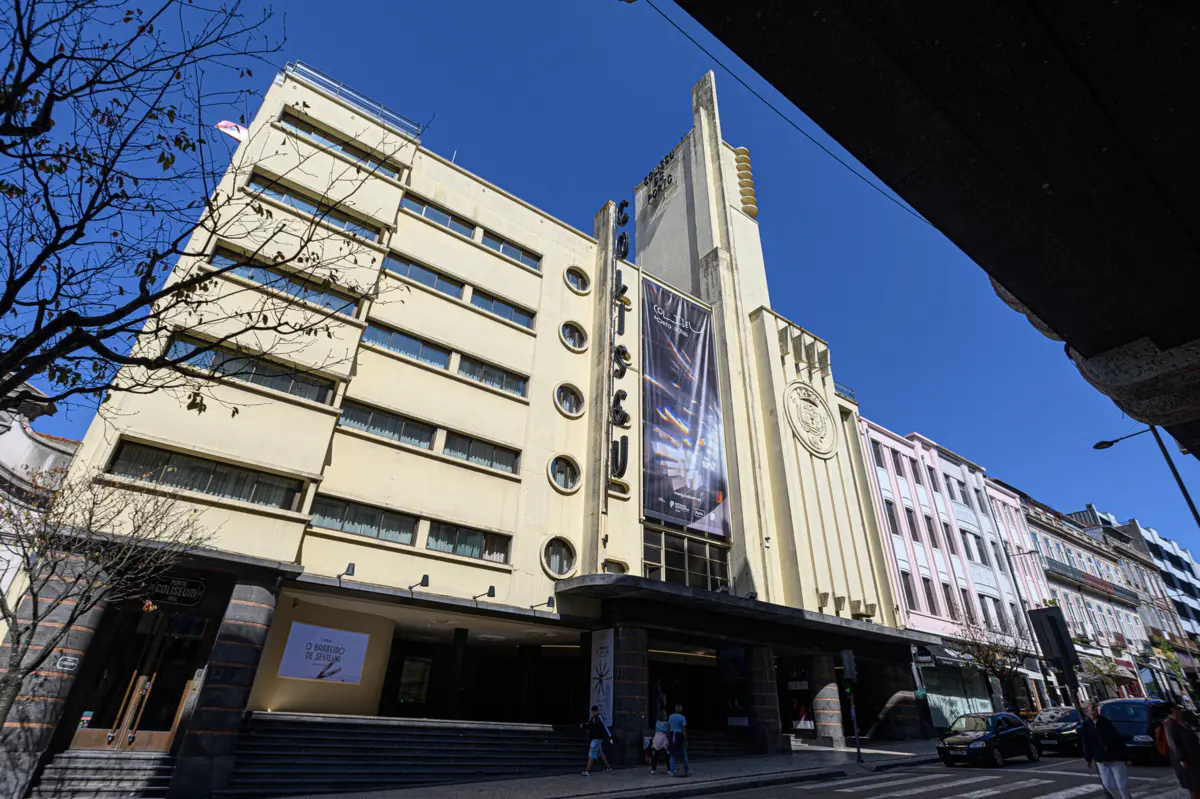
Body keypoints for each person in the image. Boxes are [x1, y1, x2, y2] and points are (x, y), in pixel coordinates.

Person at [1082, 702, 1132, 799]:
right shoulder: (1086, 725)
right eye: (1092, 709)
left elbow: (1117, 739)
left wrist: (1126, 757)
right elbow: (1086, 743)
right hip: (1101, 759)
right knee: (1108, 784)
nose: (1095, 710)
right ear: (1087, 712)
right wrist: (1088, 758)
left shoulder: (1105, 722)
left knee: (1122, 785)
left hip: (1115, 757)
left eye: (1095, 708)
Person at [1163, 701, 1200, 799]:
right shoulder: (1169, 723)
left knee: (1198, 785)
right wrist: (1182, 759)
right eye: (1178, 709)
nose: (1181, 711)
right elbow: (1173, 744)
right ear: (1172, 710)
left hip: (1194, 757)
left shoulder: (1182, 721)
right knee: (1194, 786)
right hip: (1186, 760)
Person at [580, 705, 613, 777]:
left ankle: (587, 770)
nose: (594, 713)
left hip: (597, 739)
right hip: (595, 739)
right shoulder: (593, 718)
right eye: (593, 711)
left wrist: (610, 737)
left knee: (591, 754)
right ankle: (608, 767)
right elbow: (590, 725)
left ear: (597, 711)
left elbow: (605, 727)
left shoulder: (600, 718)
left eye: (595, 711)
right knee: (601, 754)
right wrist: (583, 725)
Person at [667, 703, 690, 777]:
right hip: (679, 735)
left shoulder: (671, 716)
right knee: (684, 753)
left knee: (672, 754)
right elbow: (684, 729)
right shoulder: (682, 717)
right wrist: (686, 740)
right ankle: (686, 771)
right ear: (681, 709)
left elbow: (668, 727)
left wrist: (668, 737)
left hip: (672, 734)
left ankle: (672, 771)